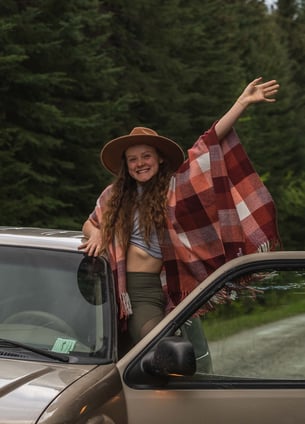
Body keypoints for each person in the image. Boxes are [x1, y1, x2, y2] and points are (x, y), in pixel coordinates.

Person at [78, 77, 280, 346]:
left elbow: (206, 146)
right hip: (118, 287)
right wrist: (97, 234)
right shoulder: (113, 196)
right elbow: (89, 224)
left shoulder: (174, 190)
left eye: (146, 156)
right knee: (142, 351)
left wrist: (241, 103)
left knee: (163, 349)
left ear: (159, 158)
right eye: (133, 159)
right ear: (126, 165)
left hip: (151, 288)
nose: (140, 163)